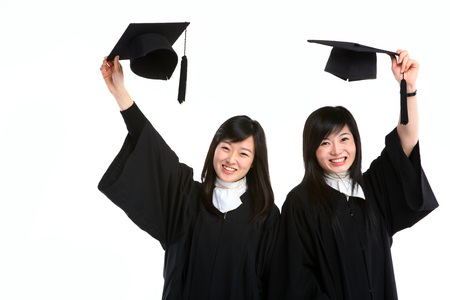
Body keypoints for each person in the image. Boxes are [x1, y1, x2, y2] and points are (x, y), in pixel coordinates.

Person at [98, 56, 280, 300]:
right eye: (225, 147)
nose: (231, 159)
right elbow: (154, 152)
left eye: (244, 153)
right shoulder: (186, 197)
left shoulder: (265, 216)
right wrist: (120, 92)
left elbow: (277, 284)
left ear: (255, 161)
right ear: (214, 148)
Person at [268, 50, 438, 300]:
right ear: (311, 149)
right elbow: (295, 280)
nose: (337, 150)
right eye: (325, 143)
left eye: (344, 139)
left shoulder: (372, 188)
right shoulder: (300, 203)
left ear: (356, 142)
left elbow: (406, 140)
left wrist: (408, 88)